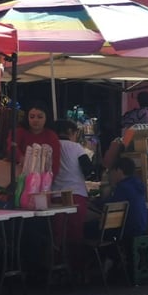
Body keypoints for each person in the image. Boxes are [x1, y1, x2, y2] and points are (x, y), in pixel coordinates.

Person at [51, 119, 92, 247]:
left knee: (58, 235)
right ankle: (75, 265)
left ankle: (59, 263)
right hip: (76, 195)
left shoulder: (50, 147)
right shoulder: (76, 147)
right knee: (75, 235)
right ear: (70, 132)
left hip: (55, 196)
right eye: (75, 133)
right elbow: (88, 168)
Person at [10, 101, 61, 178]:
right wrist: (21, 159)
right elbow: (11, 147)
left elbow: (55, 163)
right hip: (18, 176)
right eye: (32, 117)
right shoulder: (19, 132)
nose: (35, 120)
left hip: (43, 180)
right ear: (27, 118)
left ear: (46, 118)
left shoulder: (52, 136)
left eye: (40, 117)